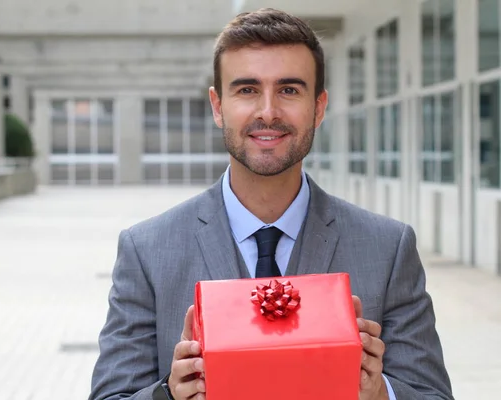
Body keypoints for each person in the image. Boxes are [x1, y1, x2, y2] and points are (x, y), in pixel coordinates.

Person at [89, 8, 453, 400]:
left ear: (319, 107)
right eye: (247, 90)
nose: (268, 111)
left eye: (289, 90)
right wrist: (168, 395)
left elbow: (432, 394)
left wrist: (381, 392)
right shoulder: (147, 251)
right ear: (217, 106)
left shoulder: (388, 248)